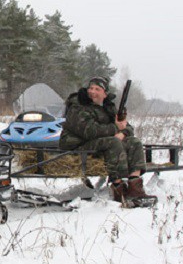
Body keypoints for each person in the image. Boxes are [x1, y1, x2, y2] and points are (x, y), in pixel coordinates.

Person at [59, 76, 157, 208]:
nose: (93, 91)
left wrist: (122, 133)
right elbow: (89, 131)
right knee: (113, 142)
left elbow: (127, 127)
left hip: (100, 143)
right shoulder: (78, 106)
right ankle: (119, 190)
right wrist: (115, 129)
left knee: (134, 142)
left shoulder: (108, 108)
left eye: (97, 89)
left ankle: (135, 190)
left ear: (104, 94)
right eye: (91, 88)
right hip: (79, 144)